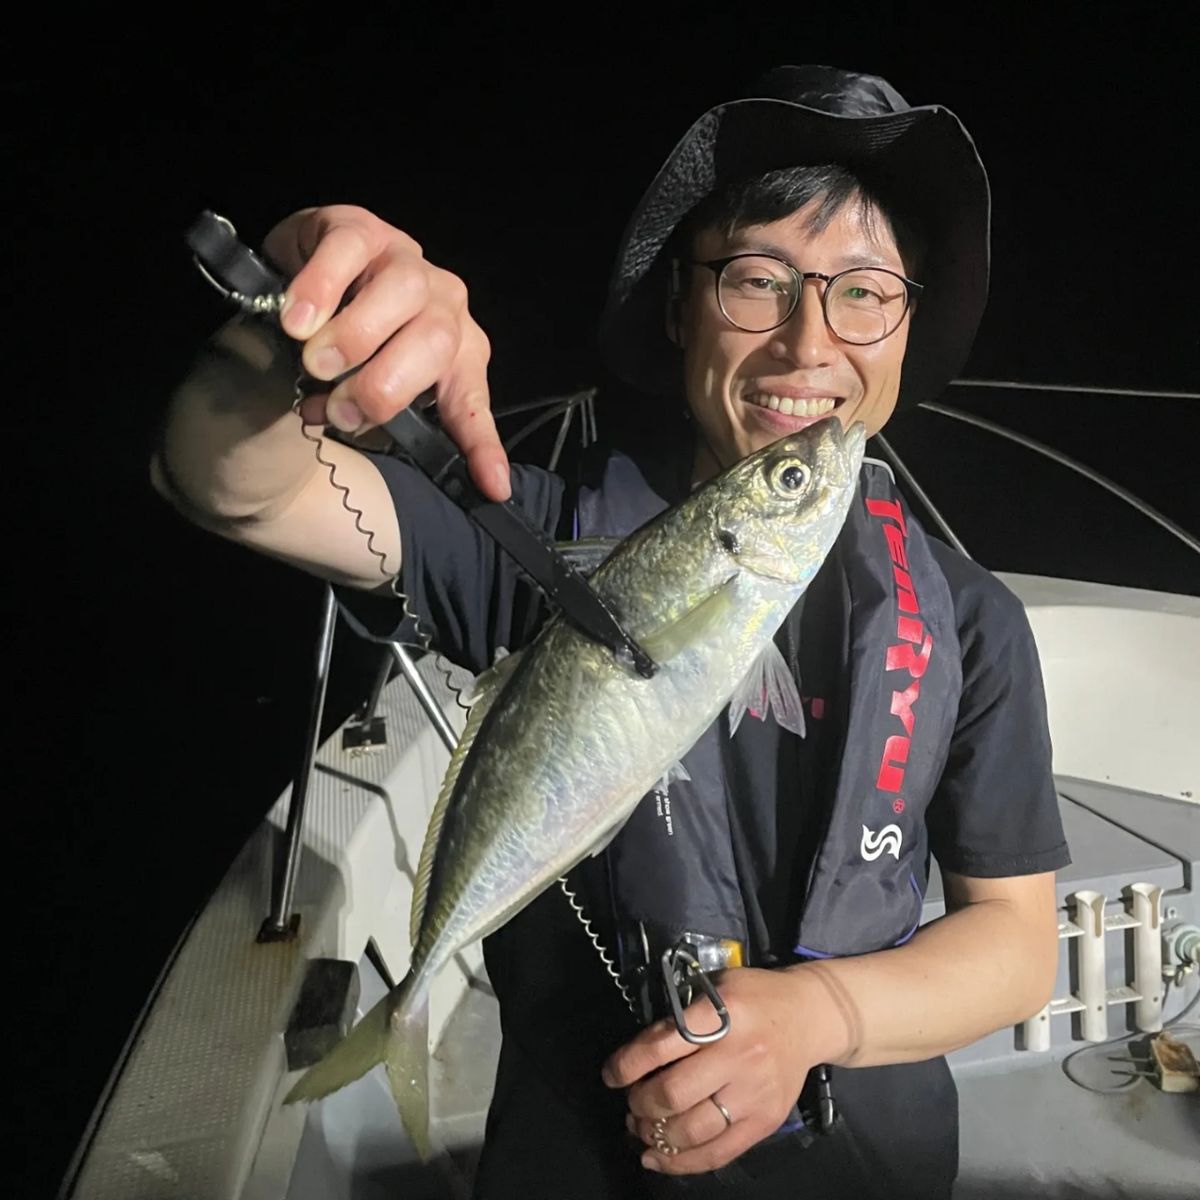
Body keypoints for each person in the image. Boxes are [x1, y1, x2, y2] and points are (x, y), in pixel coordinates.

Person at [152, 65, 1070, 1199]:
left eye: (865, 292)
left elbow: (1020, 947)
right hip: (582, 1140)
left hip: (865, 1148)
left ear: (907, 323)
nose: (805, 346)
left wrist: (818, 1015)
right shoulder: (550, 549)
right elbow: (225, 481)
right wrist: (296, 323)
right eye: (756, 281)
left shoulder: (973, 624)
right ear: (682, 307)